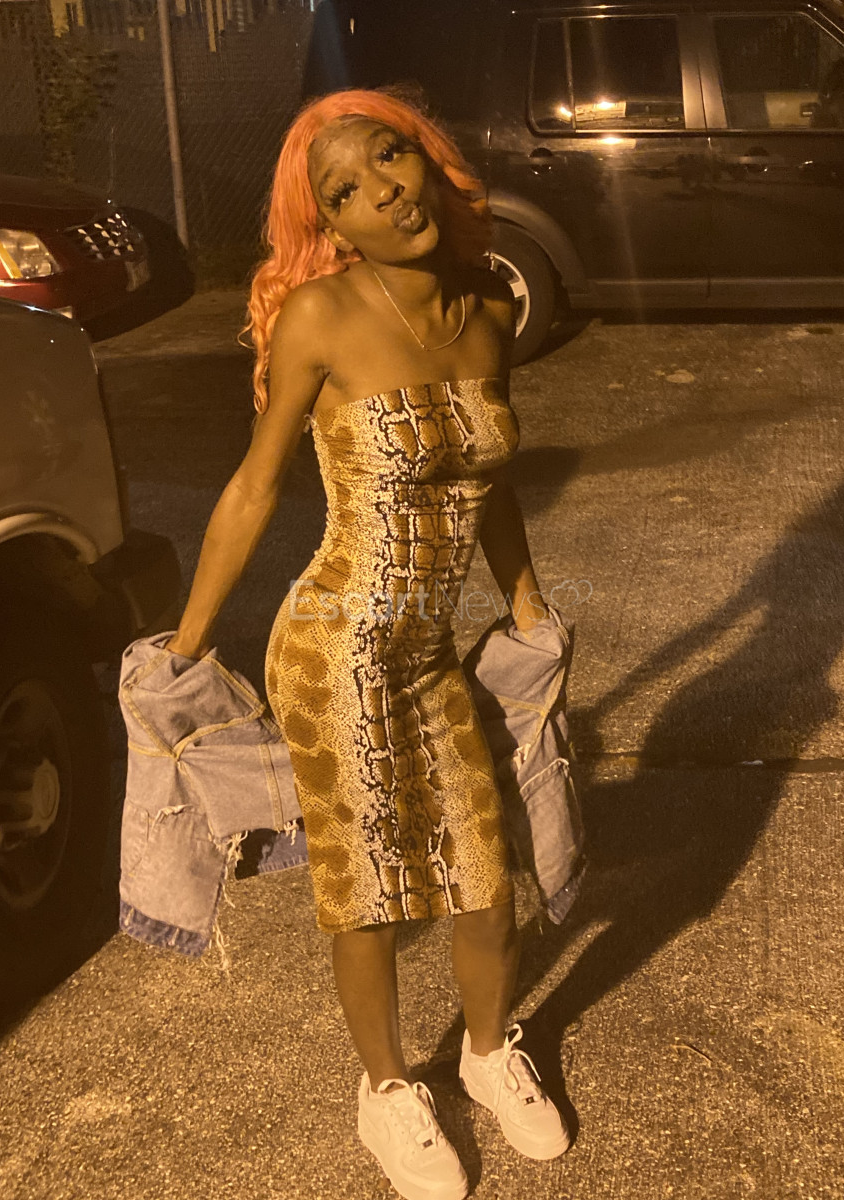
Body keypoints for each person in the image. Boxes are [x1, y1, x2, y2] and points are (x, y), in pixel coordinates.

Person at [165, 87, 570, 1200]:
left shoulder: (491, 308)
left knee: (487, 878)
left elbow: (490, 479)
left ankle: (485, 1057)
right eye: (346, 190)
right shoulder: (322, 316)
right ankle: (388, 1090)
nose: (383, 191)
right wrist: (187, 646)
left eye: (391, 157)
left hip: (429, 651)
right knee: (373, 889)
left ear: (429, 158)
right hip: (333, 647)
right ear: (333, 226)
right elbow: (255, 487)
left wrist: (528, 604)